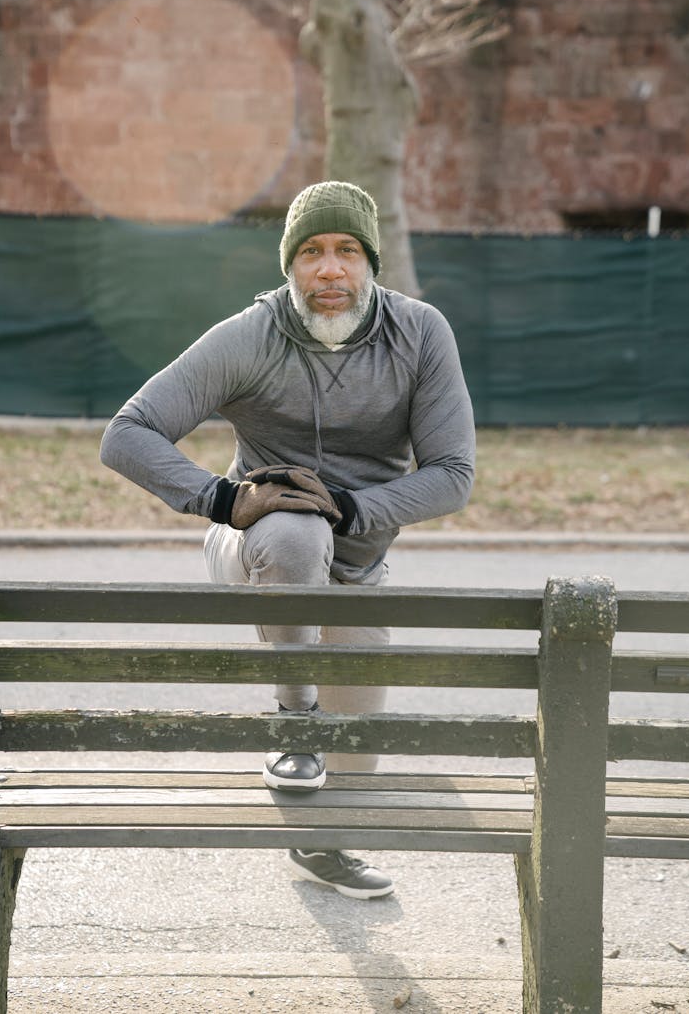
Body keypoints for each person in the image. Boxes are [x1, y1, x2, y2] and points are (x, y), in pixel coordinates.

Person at [100, 180, 475, 899]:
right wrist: (221, 497)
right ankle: (293, 718)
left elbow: (453, 474)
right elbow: (127, 433)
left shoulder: (421, 332)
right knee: (295, 528)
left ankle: (322, 846)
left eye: (345, 251)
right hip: (259, 549)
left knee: (358, 750)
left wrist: (351, 505)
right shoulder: (252, 334)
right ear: (289, 266)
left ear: (370, 263)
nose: (328, 270)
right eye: (310, 252)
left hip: (358, 566)